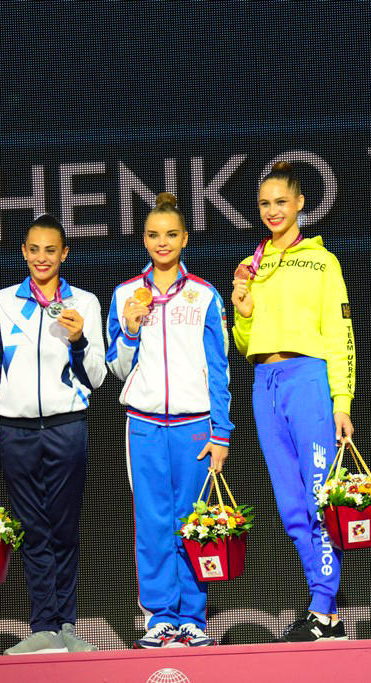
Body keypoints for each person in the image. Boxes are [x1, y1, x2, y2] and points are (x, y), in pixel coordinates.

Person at [231, 161, 356, 643]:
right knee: (290, 509)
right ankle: (326, 614)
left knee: (319, 500)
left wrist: (341, 402)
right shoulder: (253, 265)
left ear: (301, 203)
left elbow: (340, 335)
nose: (273, 211)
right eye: (265, 204)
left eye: (281, 202)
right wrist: (243, 311)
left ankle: (322, 607)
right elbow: (245, 342)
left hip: (308, 381)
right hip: (265, 382)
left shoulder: (322, 261)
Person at [0, 214, 107, 655]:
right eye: (34, 249)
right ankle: (43, 626)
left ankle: (66, 623)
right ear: (24, 252)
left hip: (67, 427)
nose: (42, 258)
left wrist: (80, 339)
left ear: (64, 253)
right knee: (33, 530)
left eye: (51, 250)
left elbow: (96, 378)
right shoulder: (2, 303)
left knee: (64, 528)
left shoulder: (83, 303)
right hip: (16, 431)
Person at [107, 192, 234, 649]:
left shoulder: (204, 295)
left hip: (195, 425)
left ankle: (193, 618)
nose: (162, 242)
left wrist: (222, 432)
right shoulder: (125, 294)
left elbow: (218, 369)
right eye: (154, 235)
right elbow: (117, 368)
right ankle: (160, 617)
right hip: (143, 425)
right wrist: (129, 329)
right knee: (152, 521)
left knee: (192, 523)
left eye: (171, 235)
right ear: (144, 239)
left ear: (185, 239)